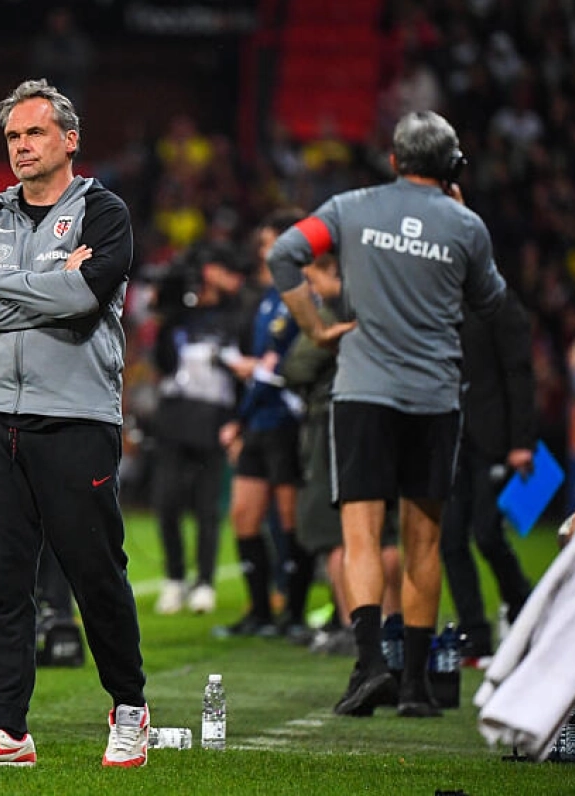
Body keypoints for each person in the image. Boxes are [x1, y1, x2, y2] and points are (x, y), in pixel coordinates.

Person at [0, 79, 148, 768]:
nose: (22, 146)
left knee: (95, 574)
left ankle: (130, 708)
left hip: (76, 417)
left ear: (69, 139)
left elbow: (85, 300)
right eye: (13, 137)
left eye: (34, 133)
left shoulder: (104, 213)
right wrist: (52, 287)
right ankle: (8, 729)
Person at [268, 110, 507, 718]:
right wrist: (457, 226)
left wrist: (315, 329)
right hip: (433, 398)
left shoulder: (349, 208)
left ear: (395, 160)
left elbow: (285, 255)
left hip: (363, 393)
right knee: (423, 540)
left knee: (361, 536)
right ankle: (416, 686)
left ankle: (370, 664)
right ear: (452, 166)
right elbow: (491, 300)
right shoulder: (466, 224)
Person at [279, 254, 404, 655]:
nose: (311, 289)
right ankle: (394, 625)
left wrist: (318, 338)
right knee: (384, 529)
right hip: (386, 419)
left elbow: (296, 367)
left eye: (314, 279)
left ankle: (355, 627)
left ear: (336, 272)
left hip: (335, 423)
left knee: (335, 531)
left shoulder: (336, 312)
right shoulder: (388, 305)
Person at [214, 208, 317, 640]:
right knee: (244, 514)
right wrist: (240, 418)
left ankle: (293, 613)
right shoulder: (270, 295)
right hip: (258, 418)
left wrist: (258, 370)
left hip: (287, 420)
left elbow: (285, 364)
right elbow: (265, 363)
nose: (264, 252)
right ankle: (259, 611)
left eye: (271, 243)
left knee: (290, 518)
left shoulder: (304, 295)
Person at [148, 243, 248, 615]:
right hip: (175, 415)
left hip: (215, 418)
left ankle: (204, 581)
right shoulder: (178, 317)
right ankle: (174, 578)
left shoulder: (235, 315)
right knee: (167, 502)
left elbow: (243, 371)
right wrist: (165, 316)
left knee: (207, 506)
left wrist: (238, 419)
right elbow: (162, 363)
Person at [440, 290, 536, 661]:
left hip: (493, 439)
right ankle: (474, 633)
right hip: (452, 437)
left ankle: (524, 607)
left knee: (487, 534)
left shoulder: (501, 304)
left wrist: (521, 442)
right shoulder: (442, 302)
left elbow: (519, 374)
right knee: (450, 538)